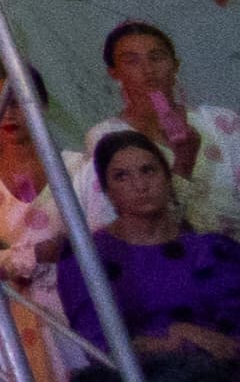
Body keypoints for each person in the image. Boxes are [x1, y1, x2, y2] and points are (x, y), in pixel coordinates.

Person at [59, 128, 240, 382]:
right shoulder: (88, 256)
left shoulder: (212, 249)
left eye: (148, 170)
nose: (140, 185)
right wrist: (177, 338)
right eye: (122, 177)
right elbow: (100, 344)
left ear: (167, 178)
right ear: (106, 190)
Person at [0, 68, 80, 382]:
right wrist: (39, 253)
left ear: (41, 104)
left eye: (18, 101)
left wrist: (10, 256)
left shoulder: (79, 168)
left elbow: (93, 241)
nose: (8, 113)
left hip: (78, 306)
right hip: (12, 321)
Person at [97, 21, 237, 231]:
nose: (148, 70)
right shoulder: (108, 137)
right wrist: (183, 163)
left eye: (157, 57)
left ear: (175, 64)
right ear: (114, 73)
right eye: (132, 61)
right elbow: (140, 224)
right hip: (180, 257)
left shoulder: (219, 121)